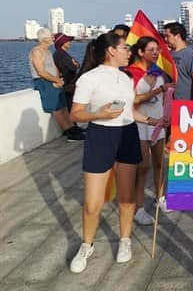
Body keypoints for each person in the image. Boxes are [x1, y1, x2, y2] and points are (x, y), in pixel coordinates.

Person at [68, 32, 163, 273]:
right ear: (111, 50)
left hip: (128, 134)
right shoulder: (89, 79)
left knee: (126, 197)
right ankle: (87, 244)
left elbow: (129, 112)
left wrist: (154, 121)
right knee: (92, 203)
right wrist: (98, 114)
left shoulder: (125, 78)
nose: (128, 51)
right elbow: (75, 114)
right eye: (124, 47)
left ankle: (125, 240)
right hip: (101, 135)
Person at [126, 36, 175, 225]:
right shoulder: (131, 74)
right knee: (142, 167)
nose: (156, 53)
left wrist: (166, 116)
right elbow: (133, 100)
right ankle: (138, 207)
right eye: (151, 50)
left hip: (158, 124)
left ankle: (159, 198)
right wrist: (159, 90)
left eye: (157, 50)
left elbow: (164, 99)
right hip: (139, 125)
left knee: (159, 163)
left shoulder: (161, 74)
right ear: (140, 52)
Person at [29, 28, 84, 142]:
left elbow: (54, 68)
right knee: (56, 108)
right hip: (44, 81)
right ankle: (68, 132)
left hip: (54, 80)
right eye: (51, 36)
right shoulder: (37, 51)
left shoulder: (47, 51)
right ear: (44, 38)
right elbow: (41, 72)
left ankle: (72, 128)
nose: (53, 38)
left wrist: (59, 78)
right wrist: (56, 80)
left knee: (63, 106)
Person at [163, 22, 193, 101]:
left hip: (185, 104)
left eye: (168, 36)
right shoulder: (167, 55)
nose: (165, 39)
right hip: (168, 103)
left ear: (177, 36)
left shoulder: (191, 55)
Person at [52, 32, 80, 111]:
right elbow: (73, 67)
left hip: (68, 83)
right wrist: (75, 64)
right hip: (67, 84)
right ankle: (72, 123)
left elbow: (77, 64)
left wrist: (75, 64)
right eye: (67, 41)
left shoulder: (61, 53)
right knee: (70, 107)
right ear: (62, 42)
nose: (69, 42)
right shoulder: (61, 54)